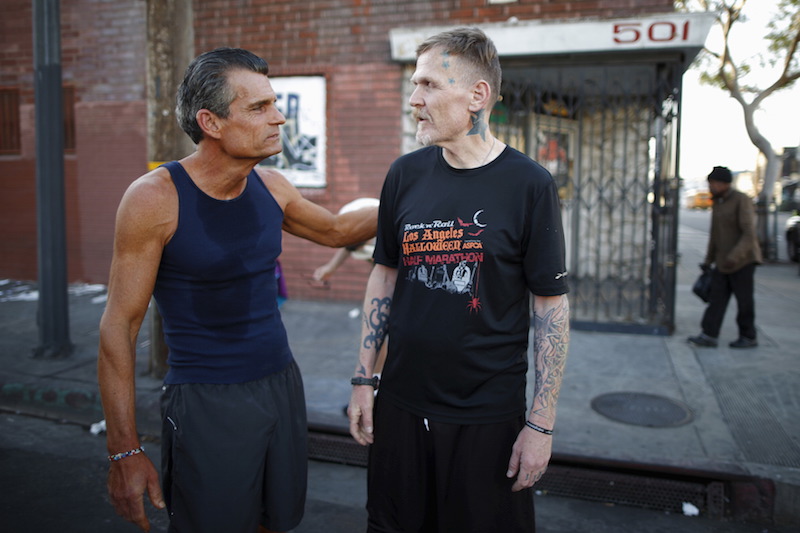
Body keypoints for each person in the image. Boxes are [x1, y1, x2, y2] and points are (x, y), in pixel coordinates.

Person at [97, 47, 377, 533]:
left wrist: (416, 191)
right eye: (259, 108)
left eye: (275, 104)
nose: (278, 119)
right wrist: (124, 449)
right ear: (211, 122)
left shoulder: (272, 186)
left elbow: (336, 231)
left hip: (281, 385)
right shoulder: (154, 199)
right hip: (206, 400)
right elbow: (119, 327)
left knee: (275, 521)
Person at [347, 28, 570, 533]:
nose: (414, 100)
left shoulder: (529, 184)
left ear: (477, 96)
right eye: (413, 84)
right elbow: (384, 276)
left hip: (486, 417)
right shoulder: (404, 174)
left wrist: (540, 424)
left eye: (427, 85)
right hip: (400, 405)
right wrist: (364, 379)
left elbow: (550, 310)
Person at [688, 166, 762, 349]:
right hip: (723, 262)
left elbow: (749, 234)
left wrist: (735, 256)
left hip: (742, 261)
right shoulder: (718, 202)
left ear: (724, 184)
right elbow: (715, 235)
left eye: (713, 183)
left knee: (744, 302)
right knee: (716, 300)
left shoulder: (741, 200)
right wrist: (708, 261)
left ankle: (748, 336)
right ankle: (709, 335)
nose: (711, 187)